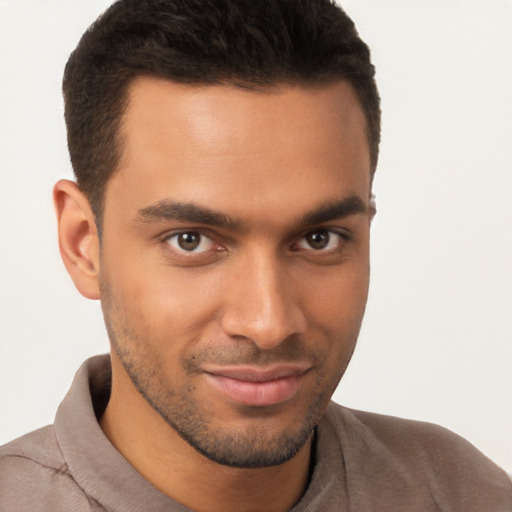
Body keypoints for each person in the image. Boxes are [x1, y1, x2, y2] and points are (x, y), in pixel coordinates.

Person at [0, 0, 510, 510]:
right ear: (83, 243)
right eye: (191, 241)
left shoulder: (462, 494)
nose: (268, 323)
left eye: (319, 239)